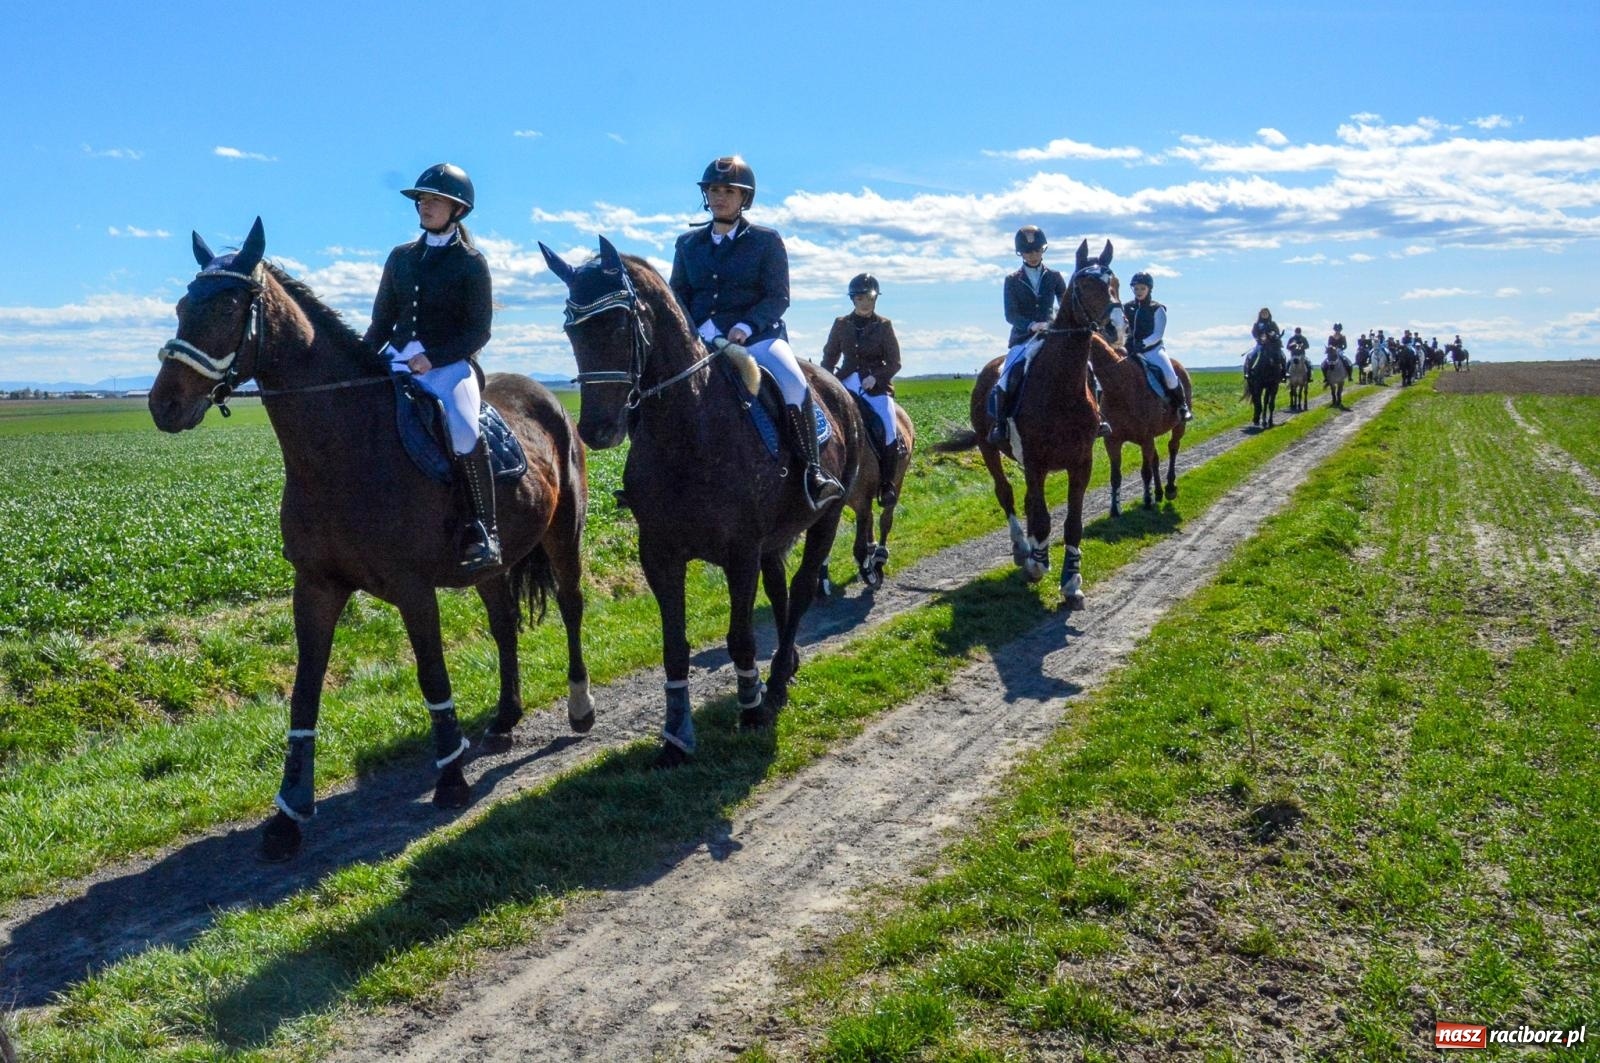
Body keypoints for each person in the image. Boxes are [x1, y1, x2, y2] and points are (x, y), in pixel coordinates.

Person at [670, 155, 842, 509]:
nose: (719, 197)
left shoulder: (765, 241)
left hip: (758, 336)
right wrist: (695, 327)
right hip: (701, 338)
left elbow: (778, 297)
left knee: (794, 381)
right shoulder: (687, 244)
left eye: (728, 191)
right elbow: (678, 296)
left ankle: (813, 471)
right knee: (657, 382)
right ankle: (648, 478)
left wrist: (745, 326)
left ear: (744, 198)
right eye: (714, 190)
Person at [364, 162, 498, 573]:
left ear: (457, 209)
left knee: (462, 429)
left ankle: (482, 528)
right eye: (422, 198)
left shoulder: (471, 263)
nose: (424, 204)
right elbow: (381, 321)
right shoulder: (400, 258)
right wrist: (361, 360)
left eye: (434, 198)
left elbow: (479, 331)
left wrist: (433, 357)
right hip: (398, 358)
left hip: (449, 365)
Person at [822, 273, 906, 504]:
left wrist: (876, 377)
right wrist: (824, 382)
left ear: (875, 298)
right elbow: (829, 358)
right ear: (853, 299)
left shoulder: (884, 326)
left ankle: (887, 485)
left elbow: (895, 362)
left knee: (889, 428)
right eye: (860, 298)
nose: (865, 302)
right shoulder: (841, 324)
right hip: (845, 380)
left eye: (869, 297)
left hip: (876, 387)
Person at [988, 225, 1067, 445]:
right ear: (1020, 253)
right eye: (1027, 252)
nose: (1032, 255)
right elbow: (1010, 314)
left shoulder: (1055, 276)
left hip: (1051, 337)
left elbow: (1066, 304)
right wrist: (1031, 325)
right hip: (1023, 339)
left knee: (1086, 368)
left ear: (1043, 250)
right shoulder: (1012, 280)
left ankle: (1097, 418)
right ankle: (1001, 425)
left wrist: (1054, 323)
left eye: (1036, 251)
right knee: (1005, 378)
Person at [1124, 271, 1190, 420]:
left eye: (1142, 288)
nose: (1139, 291)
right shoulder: (1126, 307)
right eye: (1136, 288)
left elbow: (1158, 334)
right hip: (1129, 349)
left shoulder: (1157, 308)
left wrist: (1144, 343)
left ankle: (1182, 406)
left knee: (1170, 374)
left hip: (1152, 350)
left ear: (1149, 289)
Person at [1245, 307, 1282, 380]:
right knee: (1251, 356)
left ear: (1269, 314)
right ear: (1260, 314)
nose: (1264, 314)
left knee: (1282, 356)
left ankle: (1284, 373)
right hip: (1261, 345)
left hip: (1272, 345)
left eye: (1266, 313)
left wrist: (1274, 335)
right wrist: (1259, 338)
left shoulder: (1272, 324)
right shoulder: (1257, 324)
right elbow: (1254, 333)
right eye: (1263, 313)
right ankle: (1248, 373)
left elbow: (1277, 333)